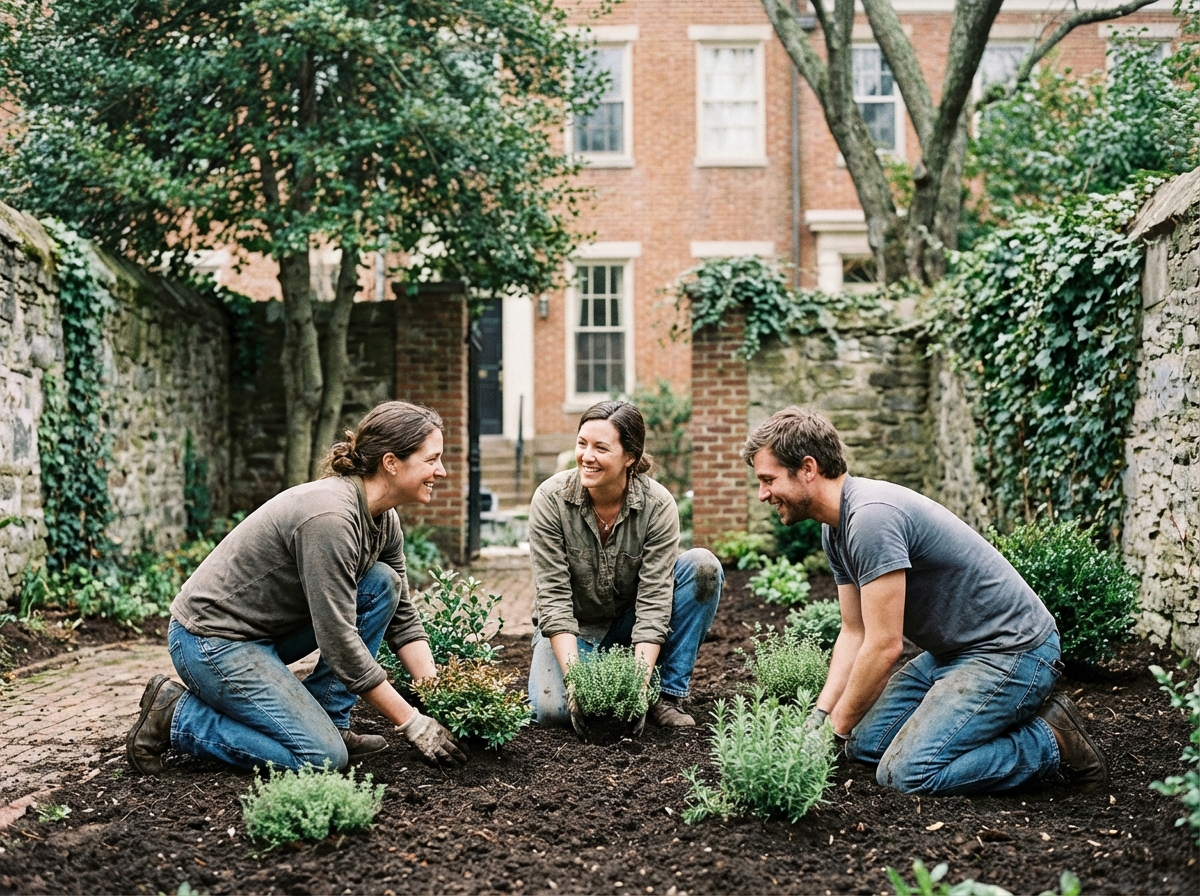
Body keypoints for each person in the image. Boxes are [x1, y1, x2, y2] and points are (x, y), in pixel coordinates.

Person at [743, 406, 1109, 795]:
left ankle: (1051, 739)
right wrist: (821, 719)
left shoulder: (870, 519)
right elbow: (854, 632)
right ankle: (979, 725)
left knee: (906, 774)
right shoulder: (834, 530)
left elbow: (884, 646)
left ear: (808, 468)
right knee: (863, 746)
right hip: (952, 655)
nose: (763, 494)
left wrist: (831, 735)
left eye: (768, 479)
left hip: (1012, 650)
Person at [126, 401, 466, 775]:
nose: (441, 471)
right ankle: (176, 716)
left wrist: (438, 694)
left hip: (264, 633)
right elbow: (339, 641)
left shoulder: (383, 520)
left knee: (382, 582)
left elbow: (400, 613)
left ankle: (330, 721)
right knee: (321, 759)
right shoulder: (331, 519)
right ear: (391, 462)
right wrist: (412, 722)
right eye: (431, 459)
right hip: (211, 641)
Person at [527, 400, 723, 730]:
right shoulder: (550, 500)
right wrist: (576, 683)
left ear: (629, 457)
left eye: (601, 448)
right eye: (582, 443)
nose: (586, 456)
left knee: (701, 566)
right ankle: (590, 672)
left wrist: (636, 689)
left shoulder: (657, 506)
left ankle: (665, 694)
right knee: (552, 711)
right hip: (576, 628)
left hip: (630, 625)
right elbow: (554, 599)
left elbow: (654, 603)